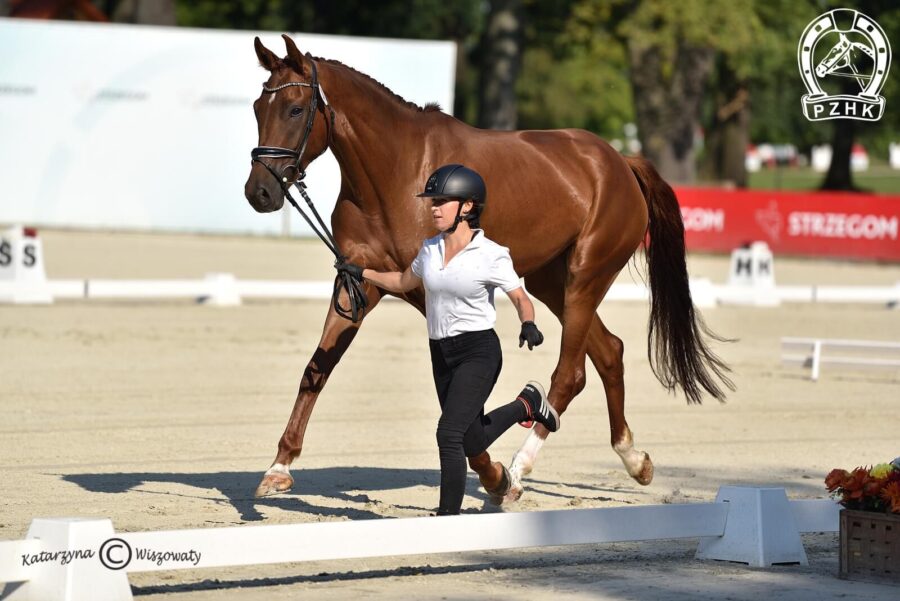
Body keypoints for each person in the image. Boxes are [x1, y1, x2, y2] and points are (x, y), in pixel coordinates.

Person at [337, 164, 559, 516]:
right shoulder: (429, 249)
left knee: (448, 434)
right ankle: (527, 405)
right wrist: (361, 272)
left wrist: (527, 322)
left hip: (478, 353)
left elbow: (520, 296)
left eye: (442, 201)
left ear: (467, 207)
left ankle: (447, 519)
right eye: (432, 201)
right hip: (441, 353)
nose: (434, 207)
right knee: (471, 441)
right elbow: (400, 281)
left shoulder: (491, 254)